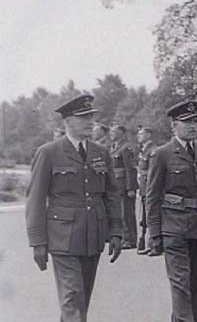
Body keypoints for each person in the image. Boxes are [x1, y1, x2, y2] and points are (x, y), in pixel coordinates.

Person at [25, 95, 122, 322]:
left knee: (81, 301)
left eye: (91, 117)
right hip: (63, 238)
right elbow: (36, 199)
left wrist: (116, 231)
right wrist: (37, 242)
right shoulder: (49, 152)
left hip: (93, 237)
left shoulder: (101, 152)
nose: (91, 122)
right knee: (72, 298)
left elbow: (111, 195)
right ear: (68, 122)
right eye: (83, 117)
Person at [146, 100, 197, 322]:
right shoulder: (162, 154)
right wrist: (154, 232)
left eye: (196, 121)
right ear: (173, 126)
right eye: (186, 122)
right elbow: (153, 195)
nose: (193, 126)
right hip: (174, 227)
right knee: (180, 284)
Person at [110, 124, 139, 249]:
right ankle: (125, 237)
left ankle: (130, 239)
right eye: (111, 131)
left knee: (127, 214)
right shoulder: (114, 147)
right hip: (116, 186)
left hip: (124, 186)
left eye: (114, 131)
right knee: (120, 213)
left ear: (121, 132)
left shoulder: (126, 148)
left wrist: (131, 187)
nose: (111, 133)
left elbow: (130, 169)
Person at [136, 127, 161, 256]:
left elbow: (152, 172)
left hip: (149, 185)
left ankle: (155, 244)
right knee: (145, 216)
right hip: (144, 186)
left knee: (151, 215)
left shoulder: (152, 150)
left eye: (141, 134)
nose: (138, 136)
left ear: (149, 135)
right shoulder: (144, 149)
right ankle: (149, 243)